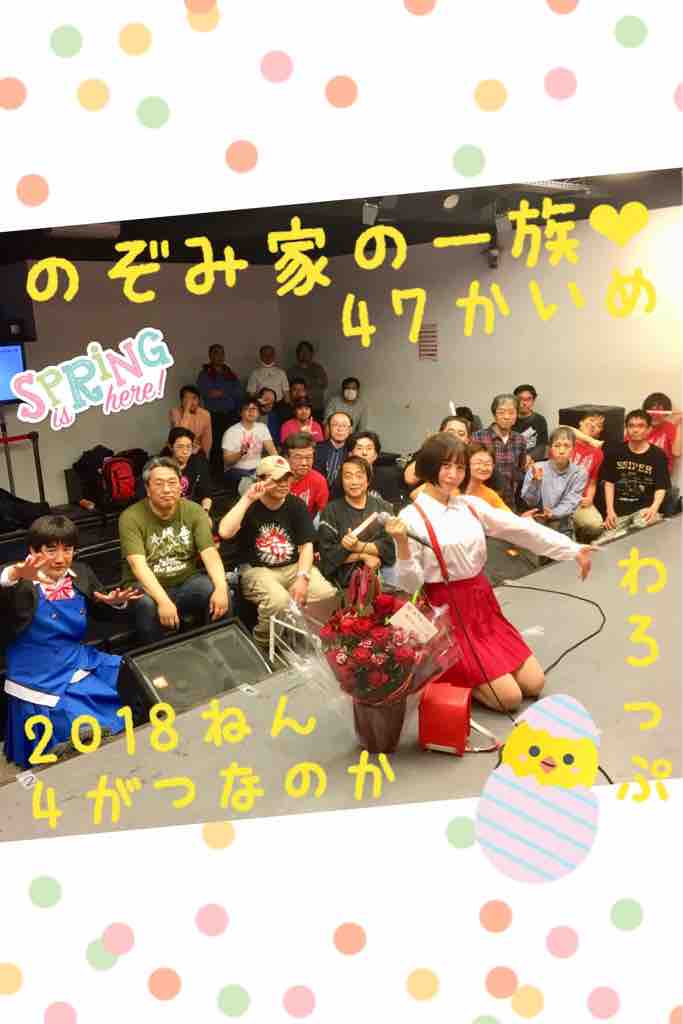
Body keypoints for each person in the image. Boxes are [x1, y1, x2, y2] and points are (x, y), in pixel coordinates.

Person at [384, 434, 594, 712]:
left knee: (535, 683)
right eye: (445, 466)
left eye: (460, 467)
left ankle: (479, 672)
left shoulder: (469, 505)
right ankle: (442, 666)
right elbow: (411, 584)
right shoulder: (412, 517)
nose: (453, 475)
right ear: (429, 466)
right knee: (510, 699)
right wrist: (401, 545)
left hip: (481, 601)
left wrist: (571, 549)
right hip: (446, 612)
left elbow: (519, 528)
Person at [0, 515, 140, 767]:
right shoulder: (19, 580)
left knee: (132, 678)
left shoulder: (81, 572)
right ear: (33, 551)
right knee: (85, 725)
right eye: (51, 550)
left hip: (76, 658)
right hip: (37, 672)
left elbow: (101, 610)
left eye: (68, 549)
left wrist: (115, 603)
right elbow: (4, 583)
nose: (60, 558)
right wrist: (16, 573)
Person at [217, 455, 336, 652]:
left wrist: (303, 577)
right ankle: (262, 646)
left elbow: (307, 545)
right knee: (279, 601)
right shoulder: (248, 504)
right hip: (258, 570)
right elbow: (224, 532)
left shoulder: (295, 504)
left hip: (293, 566)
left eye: (287, 478)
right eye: (278, 479)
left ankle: (313, 644)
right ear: (261, 480)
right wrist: (247, 498)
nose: (284, 484)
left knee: (326, 594)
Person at [119, 457, 229, 645]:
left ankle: (216, 651)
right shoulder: (130, 517)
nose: (167, 489)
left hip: (186, 582)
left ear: (180, 486)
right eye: (159, 484)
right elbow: (138, 566)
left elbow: (210, 553)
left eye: (172, 483)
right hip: (144, 587)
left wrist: (221, 587)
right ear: (147, 489)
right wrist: (163, 601)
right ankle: (156, 659)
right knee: (146, 604)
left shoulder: (194, 511)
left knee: (218, 592)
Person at [318, 456, 396, 588]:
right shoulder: (331, 510)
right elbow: (327, 555)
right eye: (348, 476)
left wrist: (357, 546)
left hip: (381, 571)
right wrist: (362, 556)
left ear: (368, 480)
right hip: (344, 576)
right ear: (341, 481)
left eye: (359, 476)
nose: (354, 482)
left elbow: (389, 549)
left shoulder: (383, 507)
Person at [602, 410, 670, 532]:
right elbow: (609, 483)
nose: (635, 430)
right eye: (631, 426)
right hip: (619, 511)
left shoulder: (658, 455)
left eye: (640, 426)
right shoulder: (615, 452)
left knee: (639, 529)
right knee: (607, 540)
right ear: (626, 429)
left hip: (644, 510)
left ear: (649, 429)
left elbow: (661, 487)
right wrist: (610, 511)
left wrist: (654, 509)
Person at [521, 428, 587, 537]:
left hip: (562, 521)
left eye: (567, 446)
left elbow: (571, 502)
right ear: (550, 448)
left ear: (573, 449)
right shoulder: (537, 468)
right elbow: (530, 502)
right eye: (557, 446)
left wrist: (553, 513)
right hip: (537, 518)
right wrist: (535, 482)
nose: (561, 451)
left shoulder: (579, 473)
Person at [472, 394, 530, 509]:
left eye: (511, 412)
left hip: (509, 501)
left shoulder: (520, 440)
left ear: (516, 415)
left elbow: (520, 470)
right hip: (482, 501)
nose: (506, 417)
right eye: (501, 412)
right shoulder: (478, 437)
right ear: (494, 415)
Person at [196, 344, 244, 466]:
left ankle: (233, 470)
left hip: (232, 415)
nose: (220, 356)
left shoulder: (230, 373)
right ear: (210, 356)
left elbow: (239, 392)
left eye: (222, 353)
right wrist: (229, 391)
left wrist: (221, 392)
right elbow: (210, 393)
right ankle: (216, 473)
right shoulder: (205, 374)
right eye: (216, 353)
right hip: (214, 416)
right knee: (216, 445)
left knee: (233, 444)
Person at [330, 430, 404, 507]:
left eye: (369, 448)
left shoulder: (387, 477)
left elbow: (394, 507)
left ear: (375, 455)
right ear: (350, 454)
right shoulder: (343, 477)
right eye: (359, 448)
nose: (364, 453)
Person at [641, 392, 681, 516]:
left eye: (660, 411)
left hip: (659, 479)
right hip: (638, 474)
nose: (655, 415)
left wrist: (679, 424)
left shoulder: (670, 428)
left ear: (666, 413)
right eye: (652, 411)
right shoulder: (639, 426)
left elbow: (676, 452)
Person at [405, 416, 472, 490]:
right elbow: (410, 479)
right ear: (440, 434)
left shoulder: (472, 459)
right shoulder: (430, 451)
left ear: (468, 440)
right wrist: (431, 449)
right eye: (450, 433)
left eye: (461, 434)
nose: (455, 436)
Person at [222, 396, 277, 486]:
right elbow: (227, 461)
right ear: (240, 413)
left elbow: (272, 451)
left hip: (257, 469)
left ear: (258, 412)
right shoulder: (231, 432)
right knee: (253, 482)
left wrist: (279, 465)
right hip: (236, 470)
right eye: (247, 409)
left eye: (254, 409)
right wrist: (240, 453)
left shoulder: (262, 427)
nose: (251, 412)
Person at [570, 411, 606, 542]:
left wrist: (590, 498)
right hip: (558, 497)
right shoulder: (566, 440)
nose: (593, 425)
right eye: (591, 420)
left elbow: (592, 481)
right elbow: (563, 428)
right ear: (580, 422)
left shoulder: (598, 453)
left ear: (600, 432)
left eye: (598, 425)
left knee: (596, 525)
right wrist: (591, 440)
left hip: (580, 500)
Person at [161, 427, 212, 514]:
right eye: (180, 447)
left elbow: (206, 495)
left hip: (193, 511)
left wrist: (205, 512)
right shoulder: (160, 467)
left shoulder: (199, 464)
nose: (185, 451)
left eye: (189, 447)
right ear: (170, 446)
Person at [283, 433, 330, 518]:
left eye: (308, 457)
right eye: (298, 457)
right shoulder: (275, 478)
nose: (304, 463)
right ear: (286, 458)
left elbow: (324, 514)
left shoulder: (319, 481)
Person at [288, 341, 328, 422]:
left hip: (316, 407)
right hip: (299, 408)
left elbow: (324, 384)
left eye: (307, 351)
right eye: (301, 351)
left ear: (311, 354)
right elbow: (288, 390)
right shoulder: (292, 370)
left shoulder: (318, 368)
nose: (304, 354)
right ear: (297, 354)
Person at [466, 442, 512, 512]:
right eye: (478, 463)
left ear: (493, 466)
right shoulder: (453, 487)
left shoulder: (490, 494)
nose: (483, 468)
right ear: (467, 463)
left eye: (487, 464)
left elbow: (508, 515)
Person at [169, 385, 212, 458]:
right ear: (181, 400)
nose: (191, 402)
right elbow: (180, 434)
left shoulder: (205, 414)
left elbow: (207, 439)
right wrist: (186, 411)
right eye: (186, 398)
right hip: (179, 449)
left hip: (196, 450)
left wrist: (205, 455)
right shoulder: (174, 412)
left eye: (194, 398)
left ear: (199, 400)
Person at [314, 411, 353, 489]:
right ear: (328, 428)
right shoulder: (315, 448)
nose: (340, 429)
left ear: (350, 430)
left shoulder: (352, 451)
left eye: (344, 425)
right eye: (335, 425)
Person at [513, 384, 549, 462]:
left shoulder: (540, 420)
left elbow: (542, 446)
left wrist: (529, 457)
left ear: (533, 401)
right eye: (520, 399)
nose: (524, 403)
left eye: (528, 399)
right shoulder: (510, 419)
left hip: (533, 461)